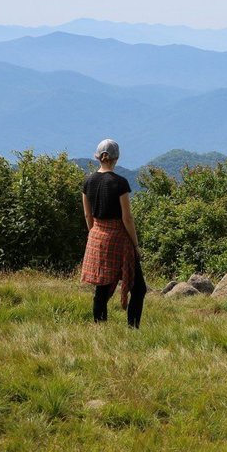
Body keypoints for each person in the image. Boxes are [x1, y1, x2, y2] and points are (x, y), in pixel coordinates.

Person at [80, 138, 147, 327]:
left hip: (97, 236)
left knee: (102, 288)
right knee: (138, 288)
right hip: (118, 239)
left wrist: (94, 234)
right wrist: (135, 245)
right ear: (116, 158)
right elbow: (127, 218)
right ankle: (133, 328)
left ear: (98, 157)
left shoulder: (88, 182)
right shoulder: (120, 183)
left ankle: (99, 328)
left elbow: (87, 214)